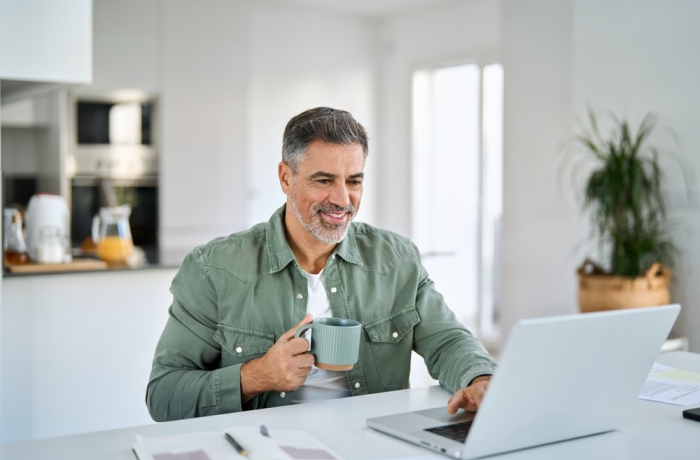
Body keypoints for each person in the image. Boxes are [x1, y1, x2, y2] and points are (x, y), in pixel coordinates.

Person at [146, 107, 497, 422]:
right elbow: (163, 395)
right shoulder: (214, 269)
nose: (342, 200)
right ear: (286, 178)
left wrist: (480, 379)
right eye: (324, 180)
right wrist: (256, 377)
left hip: (369, 445)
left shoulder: (397, 259)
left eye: (354, 181)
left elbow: (448, 339)